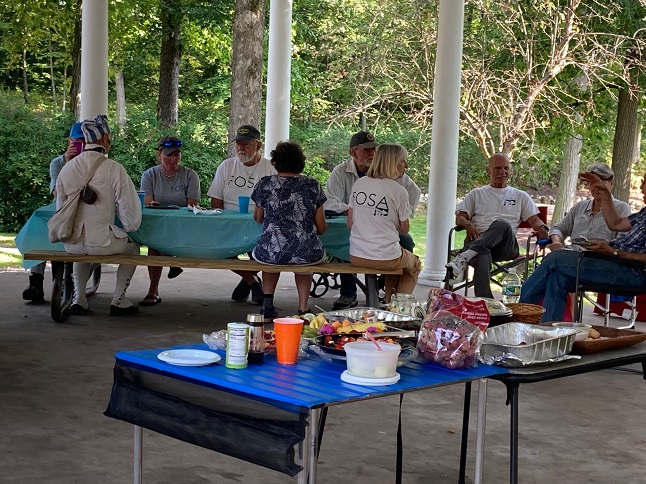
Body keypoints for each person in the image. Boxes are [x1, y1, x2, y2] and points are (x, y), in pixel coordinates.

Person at [521, 172, 646, 322]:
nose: (640, 187)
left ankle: (520, 313)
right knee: (557, 277)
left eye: (645, 182)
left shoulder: (624, 208)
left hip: (634, 271)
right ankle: (548, 333)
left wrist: (613, 251)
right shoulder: (643, 213)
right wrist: (605, 192)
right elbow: (616, 224)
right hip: (610, 261)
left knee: (555, 257)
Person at [55, 114, 142, 316]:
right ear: (105, 138)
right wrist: (128, 227)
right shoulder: (113, 168)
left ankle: (79, 298)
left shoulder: (67, 169)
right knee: (133, 249)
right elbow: (130, 214)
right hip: (102, 242)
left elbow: (60, 206)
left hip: (71, 242)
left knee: (80, 252)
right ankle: (118, 300)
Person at [324, 130, 421, 309]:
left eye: (374, 150)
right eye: (366, 150)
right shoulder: (341, 172)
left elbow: (414, 192)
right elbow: (330, 201)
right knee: (411, 262)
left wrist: (404, 211)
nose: (372, 154)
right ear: (353, 152)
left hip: (360, 247)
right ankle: (395, 307)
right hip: (369, 239)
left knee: (403, 243)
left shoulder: (363, 184)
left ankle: (387, 295)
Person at [445, 152, 550, 299]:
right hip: (477, 239)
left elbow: (534, 221)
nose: (503, 172)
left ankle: (464, 257)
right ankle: (486, 302)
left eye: (506, 168)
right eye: (498, 168)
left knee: (502, 224)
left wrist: (543, 228)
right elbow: (460, 218)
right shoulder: (476, 194)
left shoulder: (520, 195)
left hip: (504, 246)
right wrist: (468, 225)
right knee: (482, 254)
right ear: (488, 170)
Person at [251, 141, 327, 318]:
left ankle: (267, 305)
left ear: (276, 161)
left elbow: (258, 218)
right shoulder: (312, 185)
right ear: (301, 161)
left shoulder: (265, 183)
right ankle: (303, 309)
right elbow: (321, 227)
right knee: (304, 261)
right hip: (306, 252)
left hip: (270, 252)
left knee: (270, 254)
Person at [207, 125, 276, 305]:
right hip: (229, 222)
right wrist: (222, 220)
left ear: (258, 145)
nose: (240, 148)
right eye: (238, 144)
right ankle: (253, 282)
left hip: (260, 223)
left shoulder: (270, 168)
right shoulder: (227, 166)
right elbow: (216, 200)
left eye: (246, 144)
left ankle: (248, 281)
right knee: (217, 248)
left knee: (264, 252)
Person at [347, 143, 421, 303]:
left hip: (357, 255)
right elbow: (404, 230)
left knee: (395, 261)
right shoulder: (399, 191)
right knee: (414, 264)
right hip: (386, 256)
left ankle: (389, 303)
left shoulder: (359, 184)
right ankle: (399, 307)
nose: (406, 165)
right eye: (403, 161)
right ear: (392, 163)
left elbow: (350, 223)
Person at [22, 122, 85, 303]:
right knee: (39, 229)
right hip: (60, 209)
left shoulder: (90, 164)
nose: (79, 146)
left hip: (82, 211)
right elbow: (57, 193)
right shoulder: (57, 163)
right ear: (69, 141)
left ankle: (66, 281)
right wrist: (67, 163)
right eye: (76, 142)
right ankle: (36, 282)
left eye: (83, 142)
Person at [137, 136, 201, 306]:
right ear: (160, 155)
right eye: (168, 155)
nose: (173, 159)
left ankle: (153, 290)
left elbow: (192, 205)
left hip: (182, 226)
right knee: (153, 243)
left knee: (154, 245)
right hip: (159, 224)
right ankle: (154, 287)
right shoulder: (149, 175)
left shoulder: (190, 175)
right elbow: (148, 203)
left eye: (176, 155)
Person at [547, 163, 631, 250]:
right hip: (572, 256)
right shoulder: (580, 207)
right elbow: (559, 228)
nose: (596, 187)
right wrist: (556, 241)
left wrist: (607, 249)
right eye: (592, 183)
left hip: (602, 259)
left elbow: (623, 243)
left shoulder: (621, 209)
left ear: (612, 184)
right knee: (550, 260)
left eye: (600, 183)